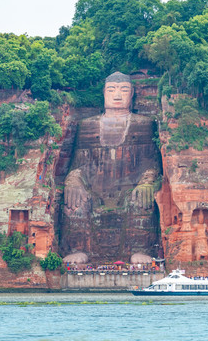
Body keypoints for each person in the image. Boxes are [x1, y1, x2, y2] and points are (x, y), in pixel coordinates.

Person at [62, 72, 160, 261]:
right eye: (111, 89)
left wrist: (147, 182)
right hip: (94, 195)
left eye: (123, 90)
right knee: (75, 199)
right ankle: (79, 250)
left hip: (129, 193)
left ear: (132, 93)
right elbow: (77, 165)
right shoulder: (86, 125)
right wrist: (73, 181)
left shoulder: (145, 125)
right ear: (103, 93)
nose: (117, 95)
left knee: (141, 199)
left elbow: (154, 165)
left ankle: (139, 251)